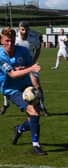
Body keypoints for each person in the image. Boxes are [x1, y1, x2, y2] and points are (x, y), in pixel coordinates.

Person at [0, 27, 47, 155]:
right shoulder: (0, 55)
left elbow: (30, 68)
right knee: (34, 112)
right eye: (7, 40)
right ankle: (35, 146)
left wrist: (35, 86)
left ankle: (19, 129)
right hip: (11, 89)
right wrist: (28, 68)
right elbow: (12, 75)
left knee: (34, 115)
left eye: (12, 40)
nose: (10, 43)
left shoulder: (23, 51)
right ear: (1, 41)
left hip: (26, 86)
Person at [0, 21, 49, 116]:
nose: (24, 31)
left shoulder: (33, 38)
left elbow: (38, 49)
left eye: (26, 29)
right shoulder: (15, 39)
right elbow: (8, 53)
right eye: (22, 29)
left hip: (30, 65)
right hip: (17, 67)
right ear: (19, 29)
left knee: (37, 85)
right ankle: (6, 104)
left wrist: (33, 62)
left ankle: (42, 106)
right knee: (8, 82)